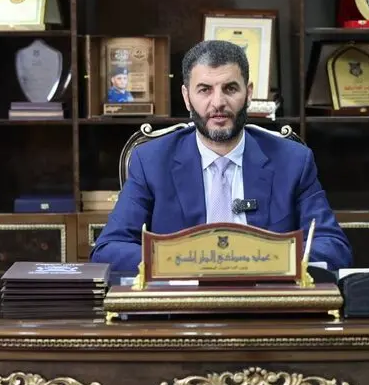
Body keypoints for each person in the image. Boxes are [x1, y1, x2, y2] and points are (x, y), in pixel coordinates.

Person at [91, 40, 352, 271]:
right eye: (205, 90)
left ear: (248, 94)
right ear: (187, 97)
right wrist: (184, 262)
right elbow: (109, 249)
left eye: (230, 89)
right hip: (182, 305)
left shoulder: (293, 161)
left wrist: (262, 261)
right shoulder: (151, 162)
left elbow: (334, 247)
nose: (218, 103)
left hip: (267, 302)